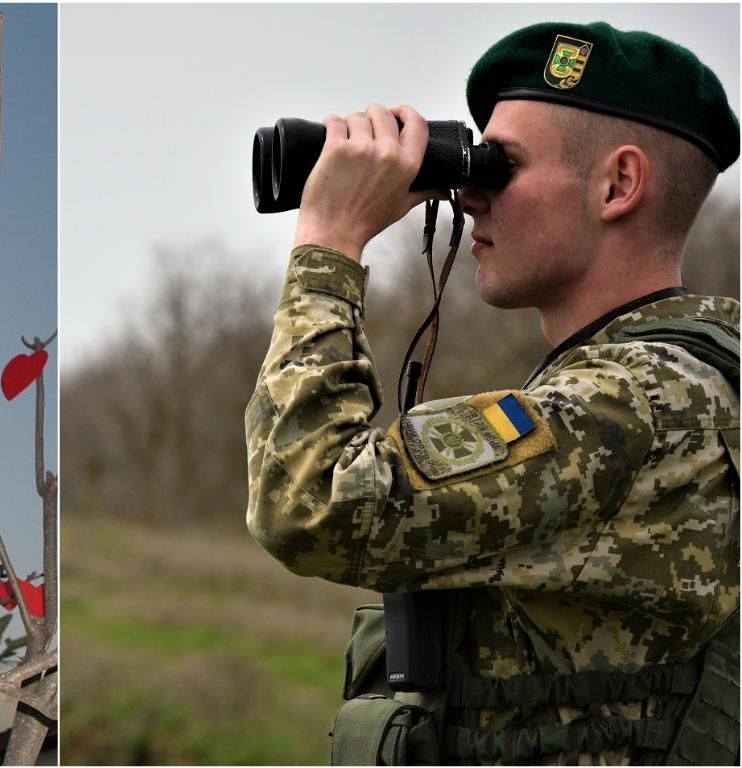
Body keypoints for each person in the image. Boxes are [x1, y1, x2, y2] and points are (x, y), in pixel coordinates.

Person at [244, 21, 739, 765]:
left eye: (502, 165)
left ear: (618, 185)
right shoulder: (687, 385)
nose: (469, 192)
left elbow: (308, 500)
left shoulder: (636, 407)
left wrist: (330, 240)